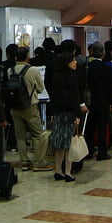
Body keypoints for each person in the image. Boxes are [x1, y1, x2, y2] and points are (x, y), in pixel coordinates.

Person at [8, 46, 52, 171]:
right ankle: (38, 162)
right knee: (37, 134)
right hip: (30, 105)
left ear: (15, 57)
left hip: (15, 107)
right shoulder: (32, 70)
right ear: (28, 57)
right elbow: (40, 88)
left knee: (20, 136)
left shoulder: (10, 70)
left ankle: (24, 162)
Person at [45, 52, 87, 181]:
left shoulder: (55, 76)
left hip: (57, 113)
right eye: (73, 60)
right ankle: (68, 172)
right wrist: (77, 115)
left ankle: (58, 170)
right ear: (67, 62)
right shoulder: (72, 77)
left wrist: (52, 112)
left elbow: (53, 96)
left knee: (59, 143)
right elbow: (75, 97)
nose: (75, 62)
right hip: (69, 113)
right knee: (69, 142)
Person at [83, 42, 112, 160]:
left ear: (91, 52)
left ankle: (88, 151)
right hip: (103, 101)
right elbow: (110, 86)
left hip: (89, 101)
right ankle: (102, 152)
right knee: (102, 128)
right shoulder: (107, 68)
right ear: (103, 53)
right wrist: (111, 102)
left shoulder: (86, 67)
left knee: (89, 128)